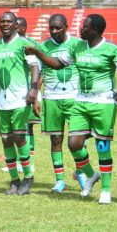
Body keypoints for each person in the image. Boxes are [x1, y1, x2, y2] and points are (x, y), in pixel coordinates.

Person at [26, 14, 117, 204]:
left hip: (104, 102)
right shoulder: (77, 47)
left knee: (102, 145)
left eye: (85, 26)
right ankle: (91, 175)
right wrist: (38, 52)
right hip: (81, 102)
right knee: (74, 143)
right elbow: (57, 64)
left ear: (96, 30)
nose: (81, 29)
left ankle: (106, 191)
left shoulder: (111, 49)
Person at [0, 12, 39, 196]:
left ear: (16, 25)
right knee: (6, 139)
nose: (6, 24)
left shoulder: (24, 44)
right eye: (3, 21)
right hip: (1, 101)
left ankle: (29, 176)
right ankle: (14, 180)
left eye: (9, 21)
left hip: (20, 99)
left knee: (19, 137)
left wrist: (34, 89)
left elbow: (34, 66)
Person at [37, 14, 83, 193]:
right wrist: (35, 94)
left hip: (74, 98)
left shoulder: (77, 44)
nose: (54, 31)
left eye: (58, 28)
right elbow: (38, 72)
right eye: (51, 28)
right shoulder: (43, 46)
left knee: (79, 140)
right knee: (55, 139)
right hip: (51, 98)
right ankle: (59, 180)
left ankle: (80, 171)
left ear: (66, 26)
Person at [16, 16, 40, 174]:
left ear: (24, 28)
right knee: (18, 127)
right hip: (15, 92)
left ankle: (28, 162)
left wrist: (35, 91)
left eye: (17, 26)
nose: (14, 29)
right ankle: (19, 160)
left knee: (28, 126)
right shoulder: (10, 44)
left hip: (30, 91)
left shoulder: (31, 45)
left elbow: (39, 70)